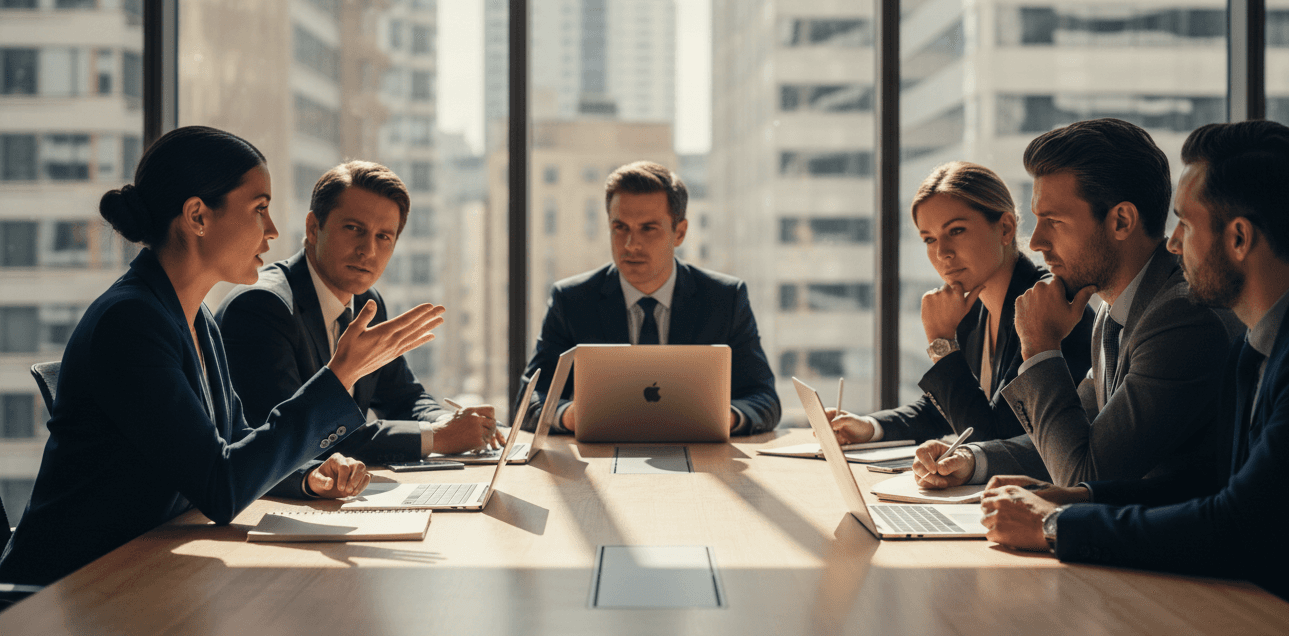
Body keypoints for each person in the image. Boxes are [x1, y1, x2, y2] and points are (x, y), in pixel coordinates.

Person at [0, 127, 444, 586]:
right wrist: (339, 374)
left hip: (153, 567)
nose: (272, 231)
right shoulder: (130, 321)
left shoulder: (196, 319)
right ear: (197, 216)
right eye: (259, 210)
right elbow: (220, 487)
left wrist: (309, 478)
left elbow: (236, 443)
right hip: (67, 590)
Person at [978, 120, 1289, 629]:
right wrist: (1080, 500)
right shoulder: (1266, 342)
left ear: (1238, 238)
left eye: (1186, 226)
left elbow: (1238, 525)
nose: (1172, 245)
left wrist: (1060, 525)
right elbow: (1213, 487)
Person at [914, 118, 1237, 489]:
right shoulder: (1113, 312)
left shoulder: (1181, 319)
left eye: (1053, 221)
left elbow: (1084, 475)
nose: (1034, 241)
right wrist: (973, 459)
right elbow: (1069, 440)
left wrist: (1039, 347)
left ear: (1121, 221)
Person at [217, 161, 500, 463]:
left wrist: (448, 422)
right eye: (354, 229)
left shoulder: (366, 301)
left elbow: (404, 396)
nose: (369, 251)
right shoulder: (261, 307)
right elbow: (295, 438)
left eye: (384, 237)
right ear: (313, 228)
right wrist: (437, 438)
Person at [826, 162, 1092, 445]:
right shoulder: (973, 307)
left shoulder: (1047, 306)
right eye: (929, 239)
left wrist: (941, 342)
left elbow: (994, 440)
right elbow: (946, 407)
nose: (942, 253)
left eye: (956, 231)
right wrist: (870, 426)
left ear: (1005, 228)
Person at [518, 161, 781, 435]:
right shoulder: (571, 300)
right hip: (601, 462)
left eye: (648, 228)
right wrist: (568, 415)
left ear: (679, 233)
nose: (631, 244)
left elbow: (765, 400)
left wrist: (725, 418)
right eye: (620, 227)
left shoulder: (725, 299)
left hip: (702, 460)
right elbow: (528, 401)